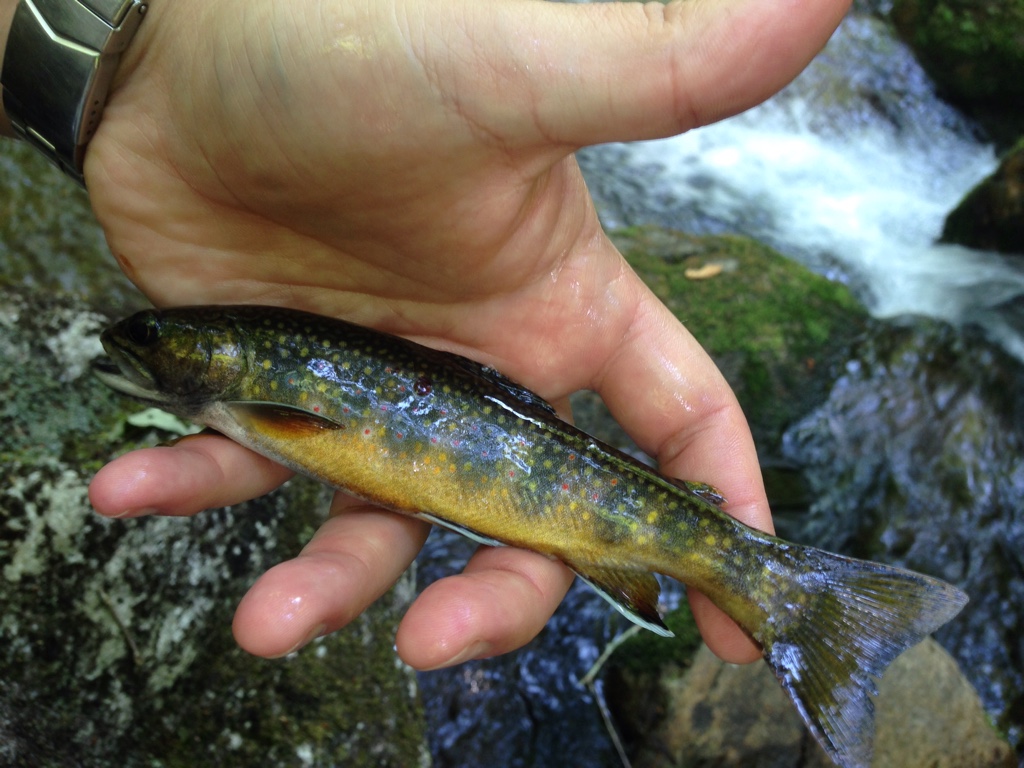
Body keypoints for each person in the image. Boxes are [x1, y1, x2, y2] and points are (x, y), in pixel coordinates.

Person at [0, 0, 851, 670]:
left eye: (153, 338)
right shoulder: (249, 393)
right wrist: (149, 69)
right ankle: (777, 590)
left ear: (225, 361)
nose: (136, 341)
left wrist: (156, 54)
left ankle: (784, 594)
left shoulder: (256, 397)